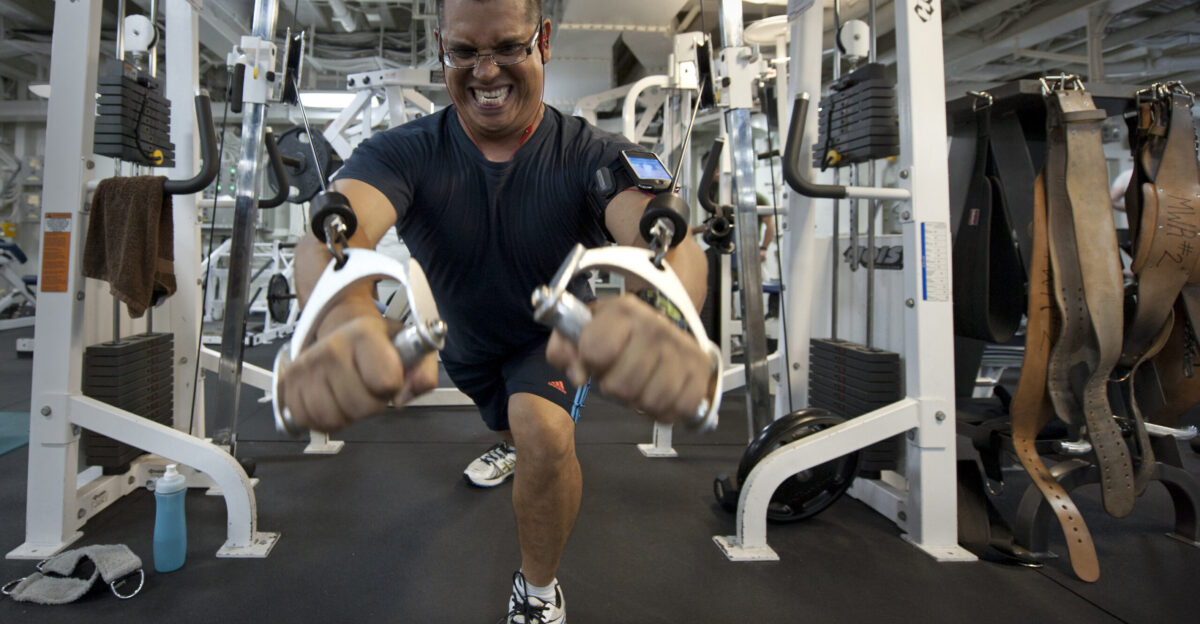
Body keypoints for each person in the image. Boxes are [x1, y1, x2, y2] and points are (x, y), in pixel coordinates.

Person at [277, 1, 712, 622]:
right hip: (467, 345)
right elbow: (333, 234)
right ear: (441, 48)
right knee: (511, 424)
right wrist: (348, 320)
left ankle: (538, 591)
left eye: (508, 47)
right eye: (464, 52)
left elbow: (664, 238)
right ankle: (508, 444)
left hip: (551, 339)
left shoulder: (594, 154)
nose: (486, 71)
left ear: (545, 41)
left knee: (543, 430)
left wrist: (660, 312)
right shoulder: (404, 153)